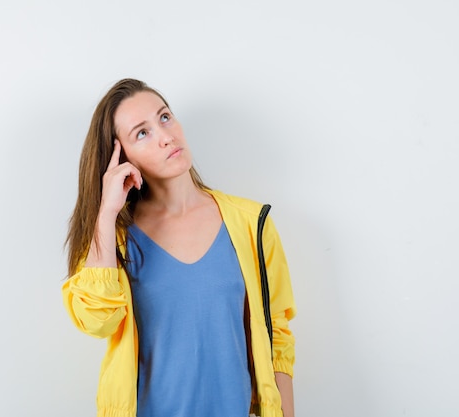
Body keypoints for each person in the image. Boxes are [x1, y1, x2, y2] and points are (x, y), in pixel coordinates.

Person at [62, 78, 296, 417]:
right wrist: (106, 214)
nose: (165, 136)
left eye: (164, 117)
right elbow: (96, 321)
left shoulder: (251, 225)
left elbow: (277, 337)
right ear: (120, 157)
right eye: (142, 133)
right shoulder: (116, 239)